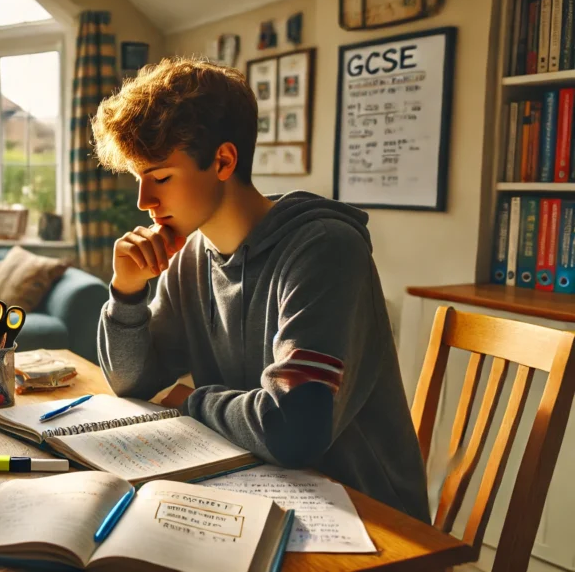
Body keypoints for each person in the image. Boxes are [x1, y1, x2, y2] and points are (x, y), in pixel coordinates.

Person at [92, 57, 430, 523]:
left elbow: (294, 431)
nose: (144, 202)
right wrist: (127, 294)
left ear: (223, 161)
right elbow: (133, 381)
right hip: (256, 489)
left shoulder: (325, 250)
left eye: (161, 177)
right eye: (139, 178)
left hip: (362, 512)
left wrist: (189, 402)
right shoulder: (193, 255)